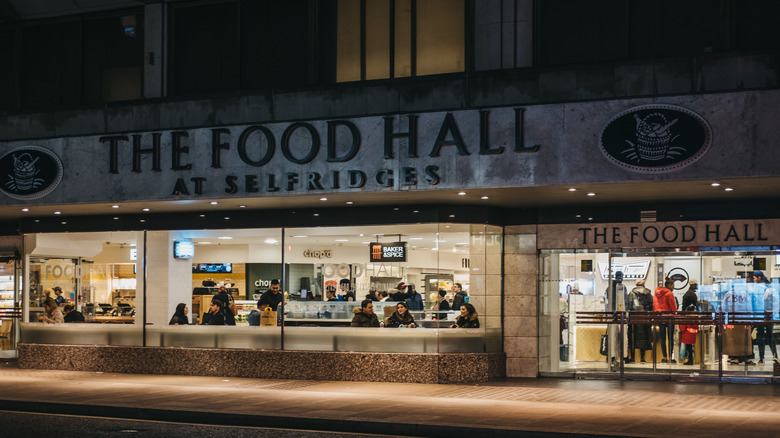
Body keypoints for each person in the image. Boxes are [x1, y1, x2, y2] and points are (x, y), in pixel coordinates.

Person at [753, 271, 778, 364]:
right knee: (769, 335)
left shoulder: (762, 288)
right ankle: (775, 356)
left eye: (755, 277)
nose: (754, 279)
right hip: (767, 315)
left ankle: (762, 358)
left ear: (759, 277)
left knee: (761, 336)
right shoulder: (769, 287)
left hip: (762, 315)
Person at [626, 279, 653, 363]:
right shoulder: (648, 293)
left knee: (633, 338)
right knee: (644, 338)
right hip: (645, 319)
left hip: (634, 319)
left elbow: (629, 306)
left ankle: (633, 357)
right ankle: (642, 358)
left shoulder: (632, 293)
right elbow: (651, 306)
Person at [653, 278, 677, 364]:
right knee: (670, 338)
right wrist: (676, 315)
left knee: (663, 338)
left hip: (660, 318)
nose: (674, 287)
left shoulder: (656, 294)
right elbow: (673, 307)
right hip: (669, 318)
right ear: (669, 285)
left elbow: (654, 305)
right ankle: (670, 357)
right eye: (673, 285)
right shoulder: (669, 294)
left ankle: (664, 357)